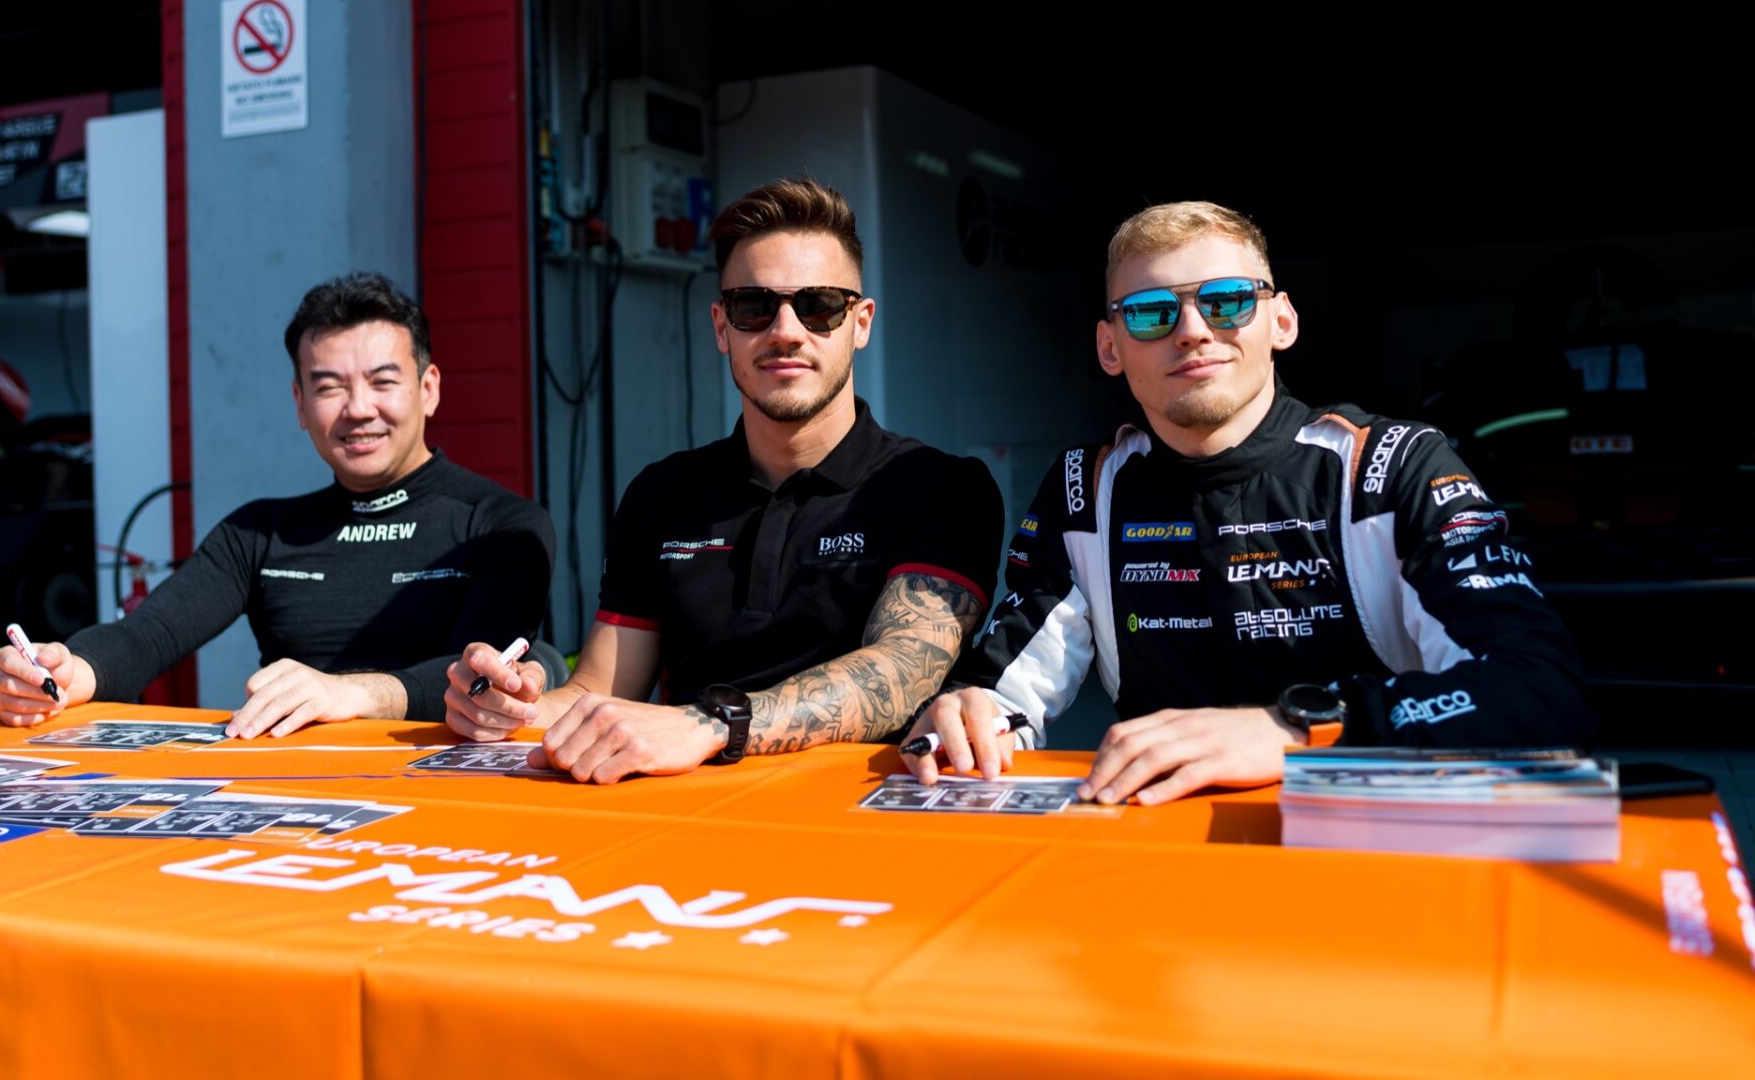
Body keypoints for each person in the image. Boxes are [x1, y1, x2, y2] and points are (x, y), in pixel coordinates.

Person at [906, 200, 1594, 803]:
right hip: (1162, 855)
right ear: (1109, 348)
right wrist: (969, 713)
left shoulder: (1389, 468)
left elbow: (1540, 691)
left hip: (1369, 844)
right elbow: (1005, 692)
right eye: (1150, 312)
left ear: (1282, 320)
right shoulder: (1088, 489)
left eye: (1227, 300)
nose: (1192, 330)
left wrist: (1295, 727)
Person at [448, 178, 1004, 782]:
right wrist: (509, 707)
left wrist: (710, 724)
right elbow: (598, 692)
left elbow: (898, 672)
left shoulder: (940, 487)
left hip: (861, 811)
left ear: (861, 322)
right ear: (721, 327)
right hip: (679, 818)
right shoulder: (661, 493)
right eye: (753, 306)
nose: (785, 330)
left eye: (819, 305)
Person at [0, 272, 555, 737]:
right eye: (329, 387)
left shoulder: (503, 526)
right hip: (293, 798)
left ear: (428, 389)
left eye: (383, 382)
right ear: (300, 404)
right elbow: (149, 635)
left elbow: (482, 677)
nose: (358, 408)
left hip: (448, 796)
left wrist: (350, 694)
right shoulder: (259, 532)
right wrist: (65, 672)